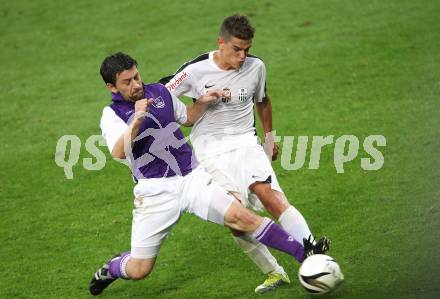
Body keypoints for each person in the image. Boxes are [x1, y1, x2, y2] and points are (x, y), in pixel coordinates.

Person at [89, 52, 328, 296]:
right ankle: (113, 267)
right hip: (155, 192)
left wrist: (204, 101)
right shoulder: (112, 114)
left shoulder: (160, 92)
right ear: (111, 87)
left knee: (241, 217)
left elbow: (187, 117)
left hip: (192, 177)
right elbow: (119, 152)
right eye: (127, 82)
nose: (136, 84)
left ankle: (306, 256)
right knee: (140, 269)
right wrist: (138, 117)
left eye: (136, 76)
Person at [159, 14, 330, 293]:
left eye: (246, 50)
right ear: (220, 43)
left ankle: (313, 253)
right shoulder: (195, 71)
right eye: (236, 50)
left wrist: (269, 138)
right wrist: (198, 105)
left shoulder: (256, 67)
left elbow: (263, 100)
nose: (242, 57)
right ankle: (274, 272)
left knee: (267, 193)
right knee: (235, 218)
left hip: (245, 142)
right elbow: (163, 100)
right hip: (209, 150)